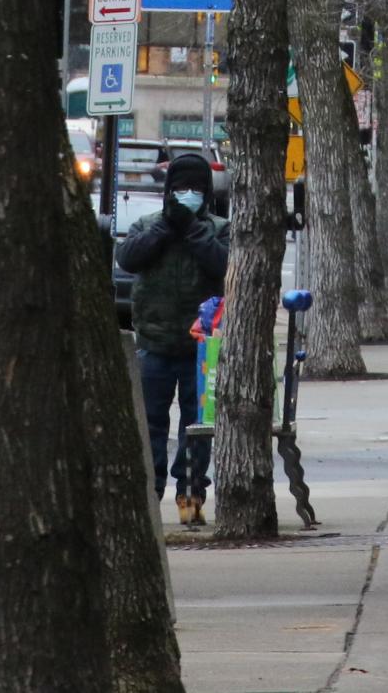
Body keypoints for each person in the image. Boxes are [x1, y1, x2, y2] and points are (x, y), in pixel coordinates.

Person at [117, 149, 229, 519]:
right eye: (181, 188)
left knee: (196, 428)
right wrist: (166, 227)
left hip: (200, 348)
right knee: (150, 425)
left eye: (196, 188)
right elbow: (128, 257)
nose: (188, 194)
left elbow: (224, 264)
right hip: (154, 343)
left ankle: (191, 495)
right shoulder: (149, 224)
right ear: (169, 192)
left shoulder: (216, 228)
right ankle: (149, 495)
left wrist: (193, 230)